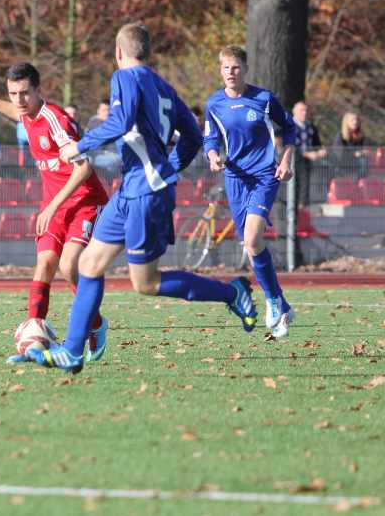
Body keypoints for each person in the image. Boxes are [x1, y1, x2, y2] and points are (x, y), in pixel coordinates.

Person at [28, 24, 257, 374]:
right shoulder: (163, 87)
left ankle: (233, 293)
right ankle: (73, 351)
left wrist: (81, 144)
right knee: (87, 265)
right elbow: (193, 136)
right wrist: (168, 168)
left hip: (144, 193)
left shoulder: (126, 77)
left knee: (145, 283)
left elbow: (120, 121)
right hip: (130, 190)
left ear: (119, 53)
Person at [0, 64, 110, 362]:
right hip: (55, 204)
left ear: (39, 91)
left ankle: (96, 324)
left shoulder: (56, 120)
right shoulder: (26, 114)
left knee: (69, 266)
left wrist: (54, 204)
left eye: (24, 93)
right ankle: (33, 341)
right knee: (44, 264)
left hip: (84, 200)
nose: (18, 100)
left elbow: (84, 168)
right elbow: (13, 111)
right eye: (13, 93)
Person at [203, 45, 297, 338]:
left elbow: (290, 128)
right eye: (226, 68)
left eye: (236, 67)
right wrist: (212, 156)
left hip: (264, 176)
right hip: (234, 179)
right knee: (251, 244)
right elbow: (210, 137)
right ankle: (281, 302)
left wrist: (285, 160)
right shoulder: (214, 103)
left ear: (245, 69)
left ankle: (270, 300)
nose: (231, 73)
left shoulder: (264, 99)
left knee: (253, 237)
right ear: (220, 70)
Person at [292, 101, 327, 208]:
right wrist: (306, 154)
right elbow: (290, 146)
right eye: (301, 110)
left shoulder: (310, 127)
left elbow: (317, 143)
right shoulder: (290, 126)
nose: (304, 113)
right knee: (298, 183)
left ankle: (306, 205)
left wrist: (321, 150)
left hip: (311, 162)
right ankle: (298, 205)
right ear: (294, 112)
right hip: (294, 161)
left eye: (306, 110)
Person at [84, 100, 121, 180]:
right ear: (98, 111)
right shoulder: (93, 123)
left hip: (112, 154)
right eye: (104, 110)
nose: (106, 112)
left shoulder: (114, 124)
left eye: (108, 110)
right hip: (95, 154)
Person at [333, 111, 369, 179]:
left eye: (357, 119)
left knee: (364, 160)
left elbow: (364, 150)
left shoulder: (361, 136)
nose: (355, 122)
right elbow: (339, 154)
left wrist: (364, 152)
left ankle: (361, 181)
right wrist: (355, 154)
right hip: (342, 165)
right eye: (352, 120)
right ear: (346, 122)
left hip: (356, 165)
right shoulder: (340, 136)